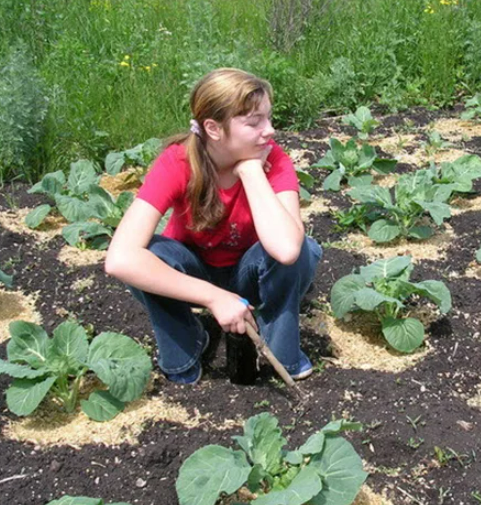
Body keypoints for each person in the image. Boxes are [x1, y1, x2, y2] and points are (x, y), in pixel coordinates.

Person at [105, 68, 321, 384]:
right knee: (149, 253)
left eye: (269, 118)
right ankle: (188, 344)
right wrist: (213, 297)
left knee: (303, 247)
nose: (270, 130)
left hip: (250, 275)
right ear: (214, 128)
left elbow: (288, 249)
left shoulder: (273, 161)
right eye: (254, 122)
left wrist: (250, 172)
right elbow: (119, 258)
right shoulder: (178, 162)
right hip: (193, 277)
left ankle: (281, 353)